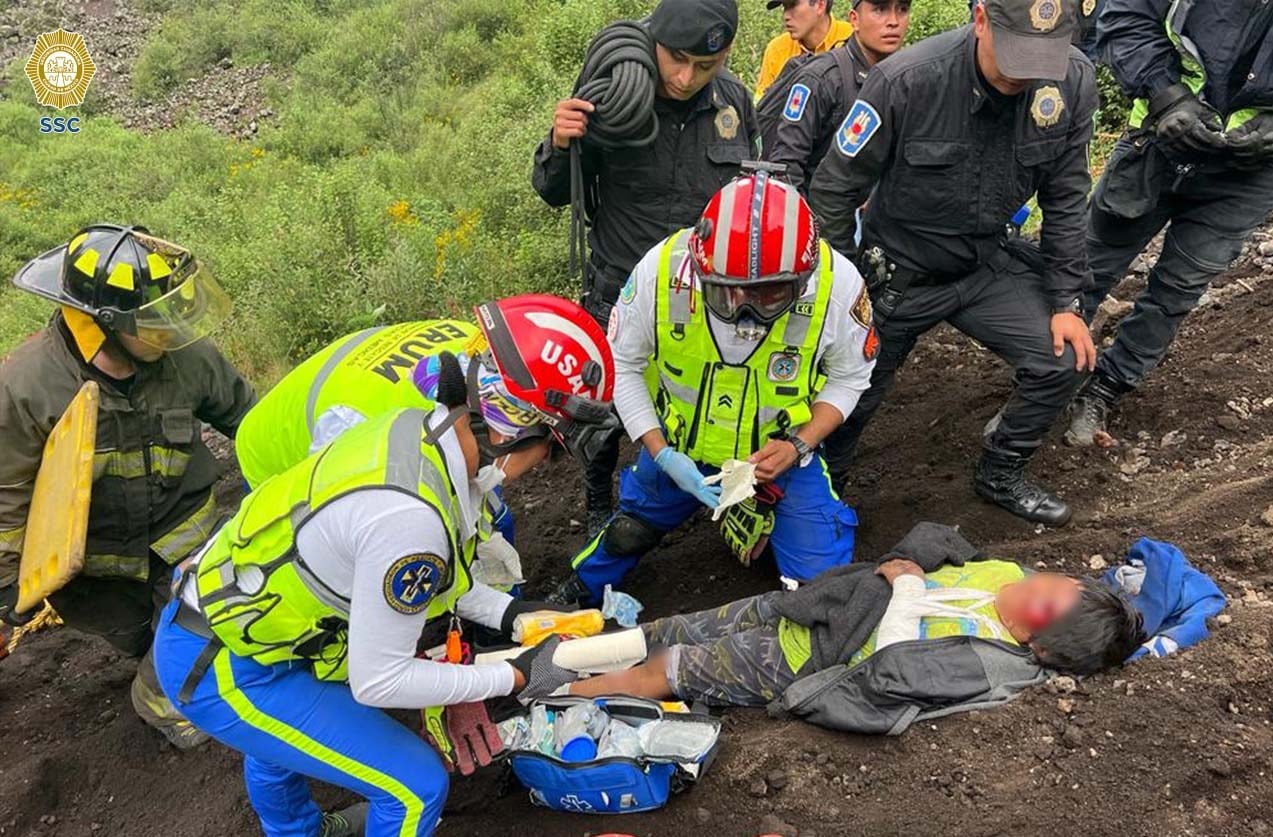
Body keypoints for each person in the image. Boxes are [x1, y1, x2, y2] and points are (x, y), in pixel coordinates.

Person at [151, 295, 614, 837]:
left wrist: (514, 616)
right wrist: (513, 674)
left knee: (285, 742)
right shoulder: (411, 519)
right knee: (414, 788)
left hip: (236, 621)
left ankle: (298, 832)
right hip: (223, 667)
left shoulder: (421, 435)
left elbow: (444, 580)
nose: (543, 468)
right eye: (551, 449)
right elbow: (379, 680)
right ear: (515, 430)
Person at [809, 0, 1099, 526]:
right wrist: (844, 284)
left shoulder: (1071, 81)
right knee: (851, 395)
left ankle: (1001, 470)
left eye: (1040, 59)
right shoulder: (906, 80)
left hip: (986, 263)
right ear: (982, 19)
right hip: (899, 271)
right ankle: (823, 495)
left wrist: (1066, 301)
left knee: (1062, 356)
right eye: (1015, 56)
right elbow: (833, 189)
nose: (1024, 75)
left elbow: (1067, 198)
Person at [549, 169, 875, 607]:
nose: (744, 311)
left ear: (804, 274)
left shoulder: (838, 286)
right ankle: (572, 593)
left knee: (824, 592)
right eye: (727, 292)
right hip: (679, 448)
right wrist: (660, 451)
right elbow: (622, 363)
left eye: (768, 295)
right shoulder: (662, 272)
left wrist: (799, 445)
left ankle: (776, 527)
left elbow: (851, 375)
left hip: (777, 459)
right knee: (628, 533)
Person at [0, 225, 255, 748]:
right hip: (99, 574)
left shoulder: (185, 359)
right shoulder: (28, 387)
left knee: (204, 636)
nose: (170, 328)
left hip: (188, 542)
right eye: (153, 319)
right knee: (147, 640)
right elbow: (7, 497)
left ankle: (160, 701)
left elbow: (252, 421)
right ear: (106, 325)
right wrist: (7, 589)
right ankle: (159, 652)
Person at [568, 522, 1145, 734]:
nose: (1028, 585)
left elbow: (890, 670)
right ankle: (566, 655)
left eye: (1041, 601)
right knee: (677, 627)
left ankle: (550, 693)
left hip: (802, 657)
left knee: (666, 671)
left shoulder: (987, 658)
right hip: (812, 605)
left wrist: (909, 587)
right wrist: (911, 562)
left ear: (1036, 645)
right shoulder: (1005, 574)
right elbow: (941, 541)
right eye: (1052, 578)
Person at [531, 0, 759, 532]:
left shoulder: (734, 104)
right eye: (676, 59)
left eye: (706, 65)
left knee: (709, 386)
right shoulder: (610, 103)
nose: (686, 77)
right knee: (604, 409)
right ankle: (597, 502)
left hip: (704, 291)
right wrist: (560, 143)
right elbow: (551, 192)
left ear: (725, 55)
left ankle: (710, 483)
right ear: (654, 40)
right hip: (622, 284)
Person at [1065, 0, 1273, 447]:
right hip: (1159, 141)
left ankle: (1106, 387)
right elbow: (1123, 15)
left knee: (1177, 289)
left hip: (1250, 171)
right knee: (1086, 265)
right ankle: (1045, 381)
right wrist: (1166, 94)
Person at [761, 0, 912, 192]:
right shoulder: (821, 79)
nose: (893, 21)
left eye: (903, 10)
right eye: (879, 10)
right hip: (822, 211)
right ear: (854, 20)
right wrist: (805, 218)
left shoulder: (907, 78)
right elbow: (787, 164)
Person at [754, 0, 855, 100]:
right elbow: (762, 107)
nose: (786, 16)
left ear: (820, 4)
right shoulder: (777, 49)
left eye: (792, 6)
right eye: (785, 7)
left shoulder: (853, 39)